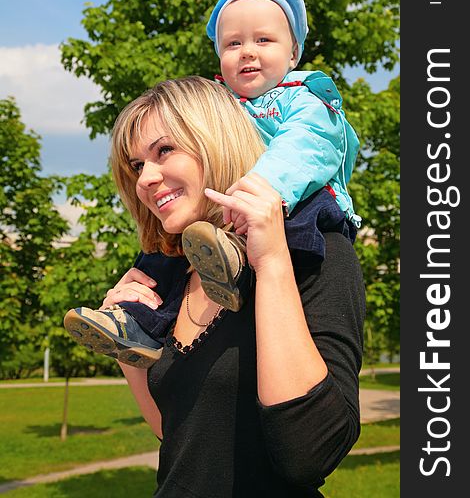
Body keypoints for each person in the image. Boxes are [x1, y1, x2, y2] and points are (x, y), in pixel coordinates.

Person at [71, 77, 366, 497]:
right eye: (137, 165)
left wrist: (271, 263)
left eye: (164, 150)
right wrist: (129, 350)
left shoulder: (317, 254)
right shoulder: (174, 278)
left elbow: (309, 455)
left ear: (217, 141)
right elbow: (179, 438)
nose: (145, 179)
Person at [64, 0, 360, 366]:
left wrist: (261, 187)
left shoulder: (304, 98)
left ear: (294, 54)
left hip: (299, 202)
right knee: (161, 253)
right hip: (233, 210)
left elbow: (306, 146)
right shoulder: (224, 106)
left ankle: (237, 264)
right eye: (233, 43)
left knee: (292, 222)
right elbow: (175, 429)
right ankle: (138, 324)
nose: (247, 52)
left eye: (263, 40)